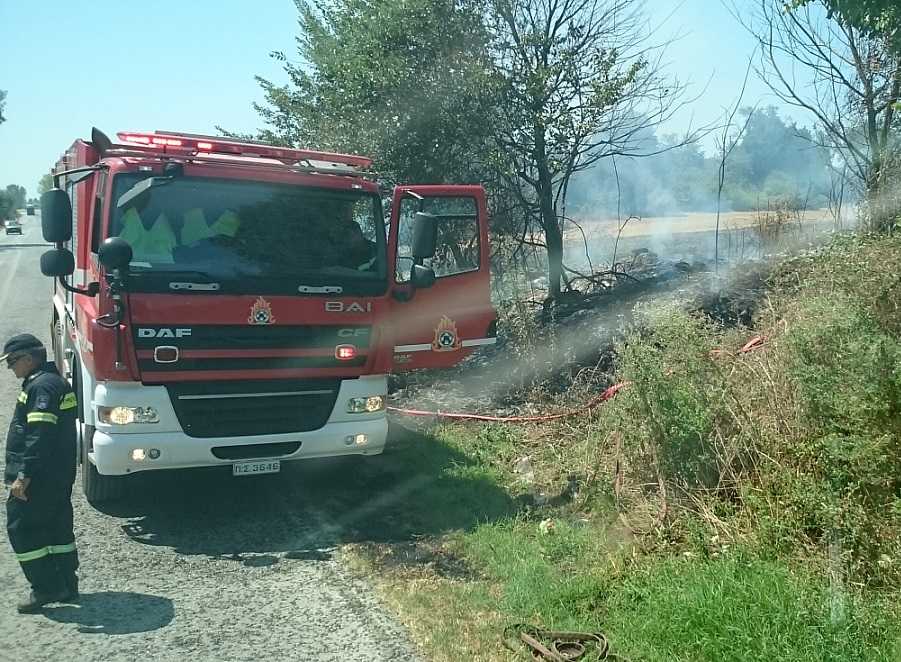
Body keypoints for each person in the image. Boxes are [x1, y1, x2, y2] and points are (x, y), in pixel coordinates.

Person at [3, 334, 79, 614]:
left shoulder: (41, 387)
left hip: (41, 477)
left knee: (22, 529)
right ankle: (67, 584)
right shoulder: (52, 381)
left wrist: (24, 475)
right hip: (57, 475)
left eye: (12, 362)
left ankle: (46, 587)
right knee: (57, 528)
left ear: (28, 358)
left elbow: (39, 436)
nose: (11, 368)